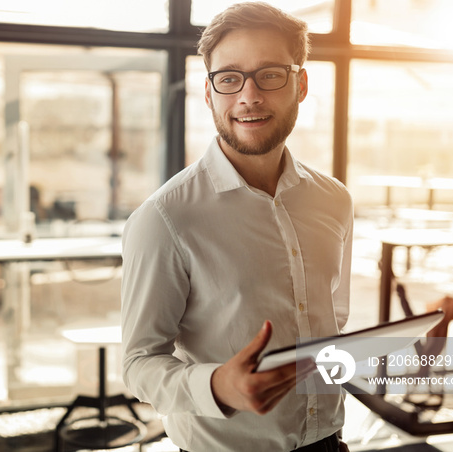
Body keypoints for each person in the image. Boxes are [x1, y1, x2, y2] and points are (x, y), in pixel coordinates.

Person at [120, 3, 353, 451]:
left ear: (300, 84)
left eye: (270, 74)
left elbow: (331, 323)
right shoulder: (165, 217)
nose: (248, 96)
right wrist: (217, 386)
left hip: (330, 443)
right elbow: (138, 363)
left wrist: (411, 353)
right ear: (209, 93)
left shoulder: (334, 200)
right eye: (229, 78)